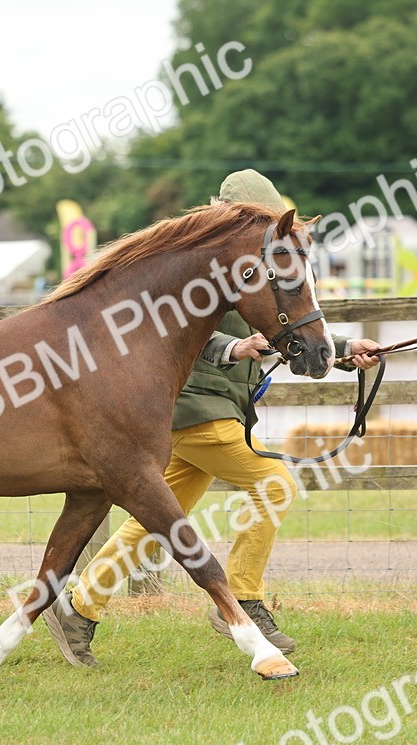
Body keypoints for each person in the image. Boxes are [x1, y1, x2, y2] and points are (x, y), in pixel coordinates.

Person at [43, 170, 381, 666]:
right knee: (274, 482)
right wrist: (232, 347)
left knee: (156, 520)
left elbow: (282, 328)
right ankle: (242, 599)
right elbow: (174, 332)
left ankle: (77, 606)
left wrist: (348, 351)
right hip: (197, 409)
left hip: (215, 411)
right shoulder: (199, 269)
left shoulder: (252, 266)